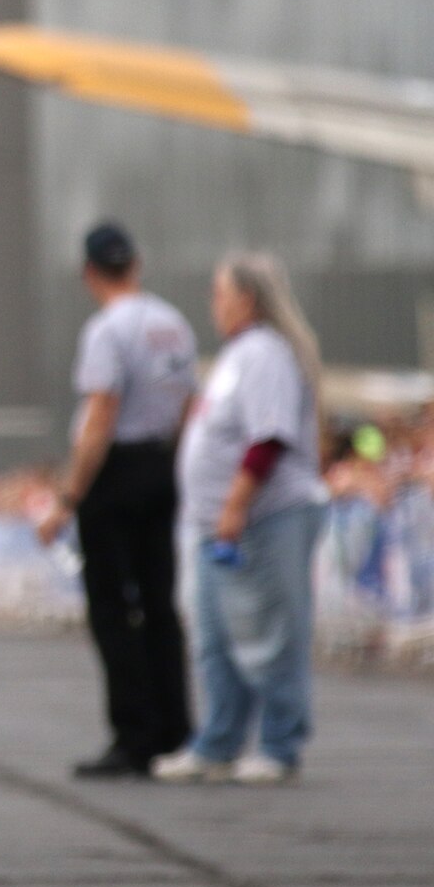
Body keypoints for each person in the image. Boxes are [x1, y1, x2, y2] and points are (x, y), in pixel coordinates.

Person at [154, 253, 326, 787]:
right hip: (213, 525)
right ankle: (219, 740)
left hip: (264, 517)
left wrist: (234, 504)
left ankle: (280, 743)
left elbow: (267, 437)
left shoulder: (265, 354)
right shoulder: (234, 356)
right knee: (213, 638)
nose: (214, 303)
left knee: (272, 634)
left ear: (247, 299)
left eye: (219, 292)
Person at [37, 223, 198, 779]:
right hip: (160, 462)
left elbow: (101, 413)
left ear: (89, 272)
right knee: (159, 603)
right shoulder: (173, 323)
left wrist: (68, 496)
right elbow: (184, 400)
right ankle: (175, 727)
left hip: (116, 470)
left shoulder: (106, 330)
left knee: (112, 608)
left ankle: (133, 734)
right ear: (137, 262)